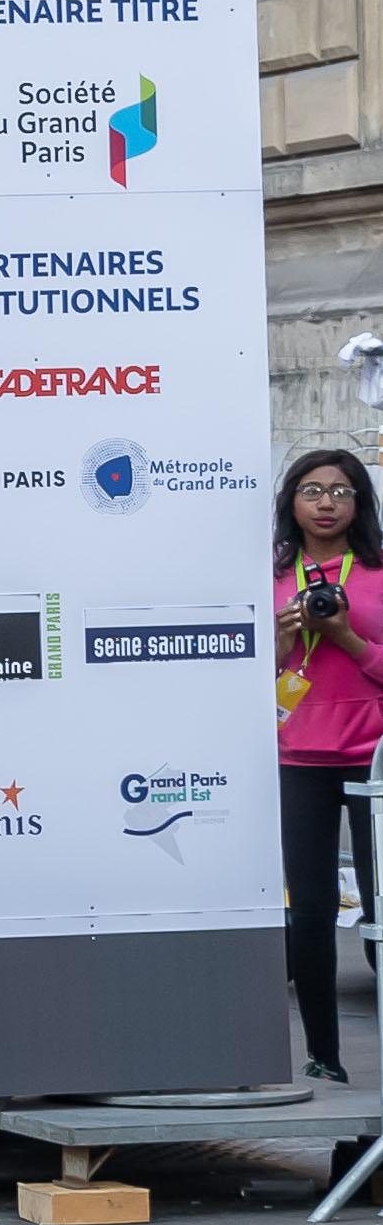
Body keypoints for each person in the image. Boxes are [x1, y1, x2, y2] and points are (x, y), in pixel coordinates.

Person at [272, 447, 383, 1086]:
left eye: (340, 492)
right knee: (309, 914)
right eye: (312, 489)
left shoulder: (376, 571)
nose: (325, 502)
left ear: (359, 504)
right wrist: (282, 645)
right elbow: (237, 670)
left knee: (379, 916)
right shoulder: (270, 572)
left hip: (374, 761)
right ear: (292, 501)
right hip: (297, 756)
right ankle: (325, 1057)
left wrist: (345, 637)